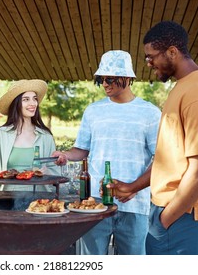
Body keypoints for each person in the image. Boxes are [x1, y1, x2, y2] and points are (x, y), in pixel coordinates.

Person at [52, 50, 161, 255]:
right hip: (95, 202)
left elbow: (161, 159)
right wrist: (66, 155)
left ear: (128, 78)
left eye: (110, 78)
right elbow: (81, 150)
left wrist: (134, 188)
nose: (105, 83)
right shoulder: (93, 111)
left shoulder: (150, 113)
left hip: (134, 205)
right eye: (101, 79)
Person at [142, 21, 198, 255]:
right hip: (172, 214)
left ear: (172, 52)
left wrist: (165, 220)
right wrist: (132, 188)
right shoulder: (184, 87)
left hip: (182, 218)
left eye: (150, 57)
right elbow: (172, 158)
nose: (149, 64)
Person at [0, 79, 60, 191]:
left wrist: (47, 171)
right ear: (16, 103)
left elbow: (56, 170)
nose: (33, 103)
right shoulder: (0, 135)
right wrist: (0, 173)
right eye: (26, 99)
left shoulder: (46, 136)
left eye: (34, 99)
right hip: (6, 198)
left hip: (40, 200)